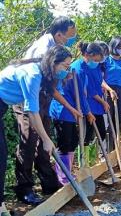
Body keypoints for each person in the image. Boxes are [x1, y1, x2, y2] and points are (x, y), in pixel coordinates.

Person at [13, 16, 79, 205]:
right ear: (59, 34)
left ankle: (49, 182)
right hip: (27, 96)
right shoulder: (44, 49)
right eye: (69, 37)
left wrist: (69, 106)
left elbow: (51, 88)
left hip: (43, 97)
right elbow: (39, 85)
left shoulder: (57, 50)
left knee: (46, 140)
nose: (71, 40)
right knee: (30, 140)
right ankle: (24, 189)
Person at [0, 45, 71, 215]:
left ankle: (0, 206)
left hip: (2, 106)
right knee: (1, 156)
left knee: (1, 156)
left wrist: (46, 138)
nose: (66, 71)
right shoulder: (32, 74)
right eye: (65, 66)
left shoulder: (42, 71)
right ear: (54, 63)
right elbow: (32, 112)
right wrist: (46, 139)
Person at [49, 43, 102, 185]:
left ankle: (67, 172)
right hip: (62, 111)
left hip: (72, 111)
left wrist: (86, 112)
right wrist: (88, 112)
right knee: (65, 142)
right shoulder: (74, 71)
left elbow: (82, 94)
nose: (96, 63)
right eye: (96, 59)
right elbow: (79, 94)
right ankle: (62, 176)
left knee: (72, 141)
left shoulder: (78, 69)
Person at [80, 42, 111, 166]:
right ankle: (84, 162)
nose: (99, 61)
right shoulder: (86, 69)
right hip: (90, 105)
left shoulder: (97, 67)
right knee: (88, 134)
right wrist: (103, 101)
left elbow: (100, 83)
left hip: (98, 105)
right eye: (98, 59)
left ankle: (95, 159)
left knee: (101, 131)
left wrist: (108, 90)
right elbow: (90, 90)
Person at [104, 36, 121, 151]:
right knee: (109, 121)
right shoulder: (105, 60)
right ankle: (106, 151)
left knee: (118, 120)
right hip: (108, 91)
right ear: (113, 46)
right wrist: (109, 90)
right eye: (119, 47)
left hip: (120, 91)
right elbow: (100, 79)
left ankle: (115, 150)